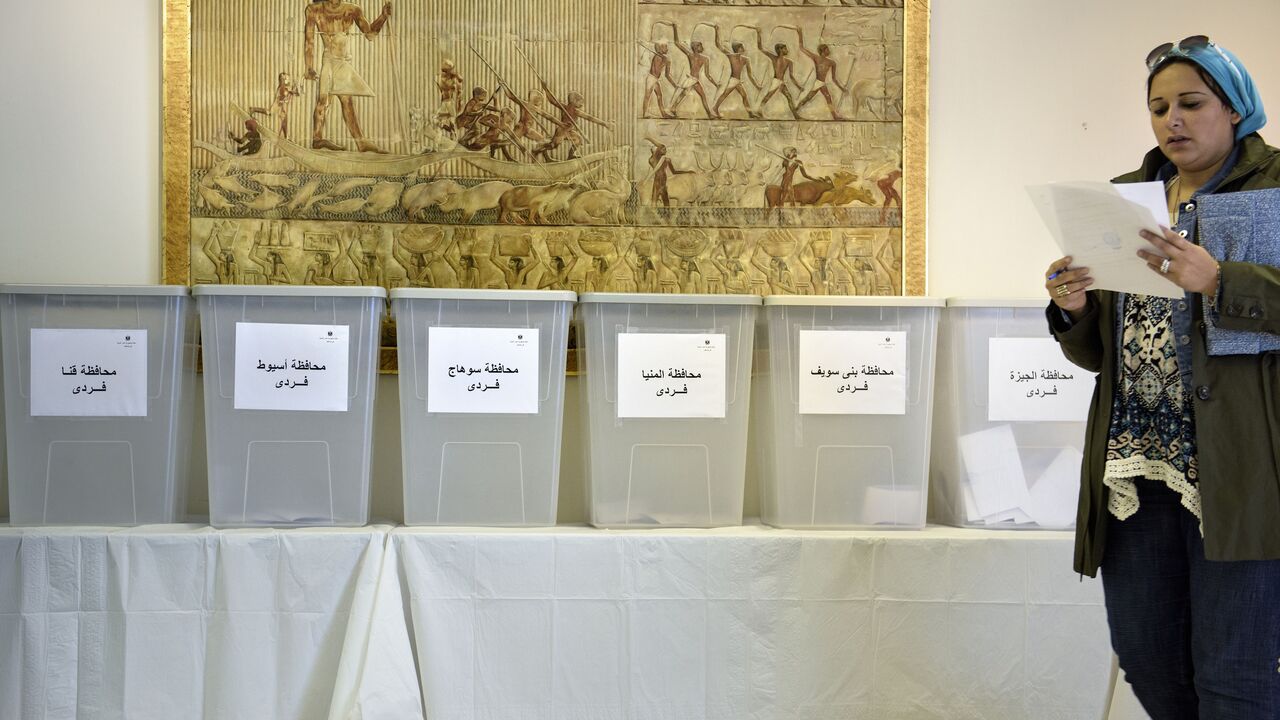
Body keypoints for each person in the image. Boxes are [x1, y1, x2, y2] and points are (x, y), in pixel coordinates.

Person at [1044, 36, 1280, 717]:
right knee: (1147, 657)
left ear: (1234, 108)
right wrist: (1073, 308)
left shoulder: (1275, 186)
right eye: (1158, 108)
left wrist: (1221, 281)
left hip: (1239, 473)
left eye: (1191, 103)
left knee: (1236, 675)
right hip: (1136, 470)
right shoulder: (1125, 200)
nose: (1172, 119)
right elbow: (1097, 356)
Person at [303, 0, 392, 153]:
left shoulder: (352, 10)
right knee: (324, 100)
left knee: (347, 102)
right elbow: (309, 41)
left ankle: (360, 142)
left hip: (343, 62)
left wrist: (383, 17)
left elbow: (370, 34)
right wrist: (309, 67)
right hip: (329, 60)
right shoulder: (314, 9)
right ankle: (317, 139)